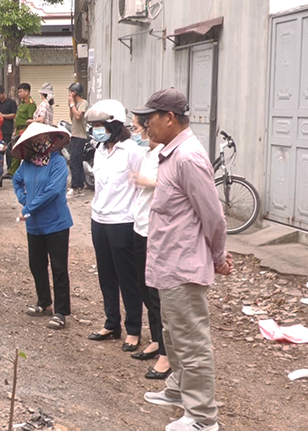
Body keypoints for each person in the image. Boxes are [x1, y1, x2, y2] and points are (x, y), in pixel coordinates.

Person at [132, 88, 232, 431]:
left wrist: (218, 256)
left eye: (150, 118)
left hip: (183, 266)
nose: (146, 125)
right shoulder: (171, 154)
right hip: (168, 262)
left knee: (191, 341)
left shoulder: (188, 157)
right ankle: (177, 390)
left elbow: (213, 216)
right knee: (173, 334)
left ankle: (203, 417)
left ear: (170, 118)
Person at [83, 99, 145, 352]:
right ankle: (111, 323)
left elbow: (143, 184)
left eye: (101, 125)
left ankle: (133, 330)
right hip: (99, 220)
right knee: (106, 276)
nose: (97, 130)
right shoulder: (99, 150)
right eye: (94, 125)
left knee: (127, 278)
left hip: (123, 222)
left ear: (115, 126)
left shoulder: (132, 151)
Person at [12, 123, 73, 330]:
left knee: (59, 267)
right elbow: (16, 181)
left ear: (51, 139)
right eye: (35, 140)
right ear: (30, 144)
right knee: (36, 264)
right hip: (35, 225)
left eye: (43, 138)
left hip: (56, 223)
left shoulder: (58, 163)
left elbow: (53, 191)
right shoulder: (27, 163)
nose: (40, 142)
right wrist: (24, 200)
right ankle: (44, 303)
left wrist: (28, 208)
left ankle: (61, 312)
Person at [128, 113, 170, 380]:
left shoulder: (167, 155)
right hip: (139, 226)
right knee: (143, 287)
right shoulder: (147, 154)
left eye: (135, 128)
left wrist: (148, 182)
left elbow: (173, 185)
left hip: (155, 231)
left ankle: (167, 354)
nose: (134, 133)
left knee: (156, 293)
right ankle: (156, 340)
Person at [6, 83, 37, 178]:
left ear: (27, 92)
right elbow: (18, 118)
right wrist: (15, 130)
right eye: (18, 92)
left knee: (20, 151)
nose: (19, 94)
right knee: (15, 150)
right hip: (18, 130)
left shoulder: (30, 104)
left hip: (24, 130)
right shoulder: (22, 104)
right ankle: (12, 171)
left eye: (20, 92)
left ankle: (13, 172)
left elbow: (30, 120)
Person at [66, 82, 89, 198]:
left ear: (75, 92)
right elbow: (72, 118)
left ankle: (75, 188)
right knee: (77, 162)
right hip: (75, 135)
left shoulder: (83, 103)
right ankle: (80, 186)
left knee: (74, 162)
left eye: (71, 91)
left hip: (80, 136)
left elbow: (79, 116)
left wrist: (72, 105)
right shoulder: (75, 104)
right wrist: (71, 105)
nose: (69, 94)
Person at [0, 85, 18, 170]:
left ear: (4, 93)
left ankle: (10, 168)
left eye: (0, 95)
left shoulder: (11, 103)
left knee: (8, 149)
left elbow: (14, 115)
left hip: (7, 130)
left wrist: (3, 116)